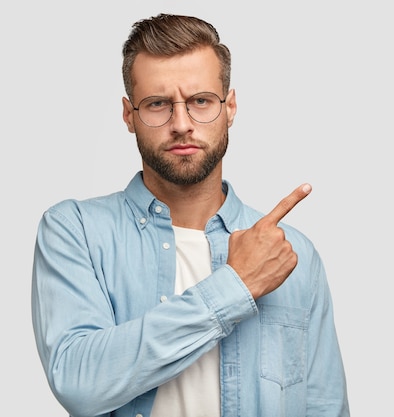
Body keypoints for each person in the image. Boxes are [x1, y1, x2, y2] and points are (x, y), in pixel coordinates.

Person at [31, 13, 349, 417]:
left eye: (201, 101)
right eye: (158, 104)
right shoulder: (74, 231)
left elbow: (324, 406)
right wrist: (235, 286)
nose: (181, 124)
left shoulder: (291, 253)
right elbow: (78, 383)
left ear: (229, 107)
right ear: (129, 115)